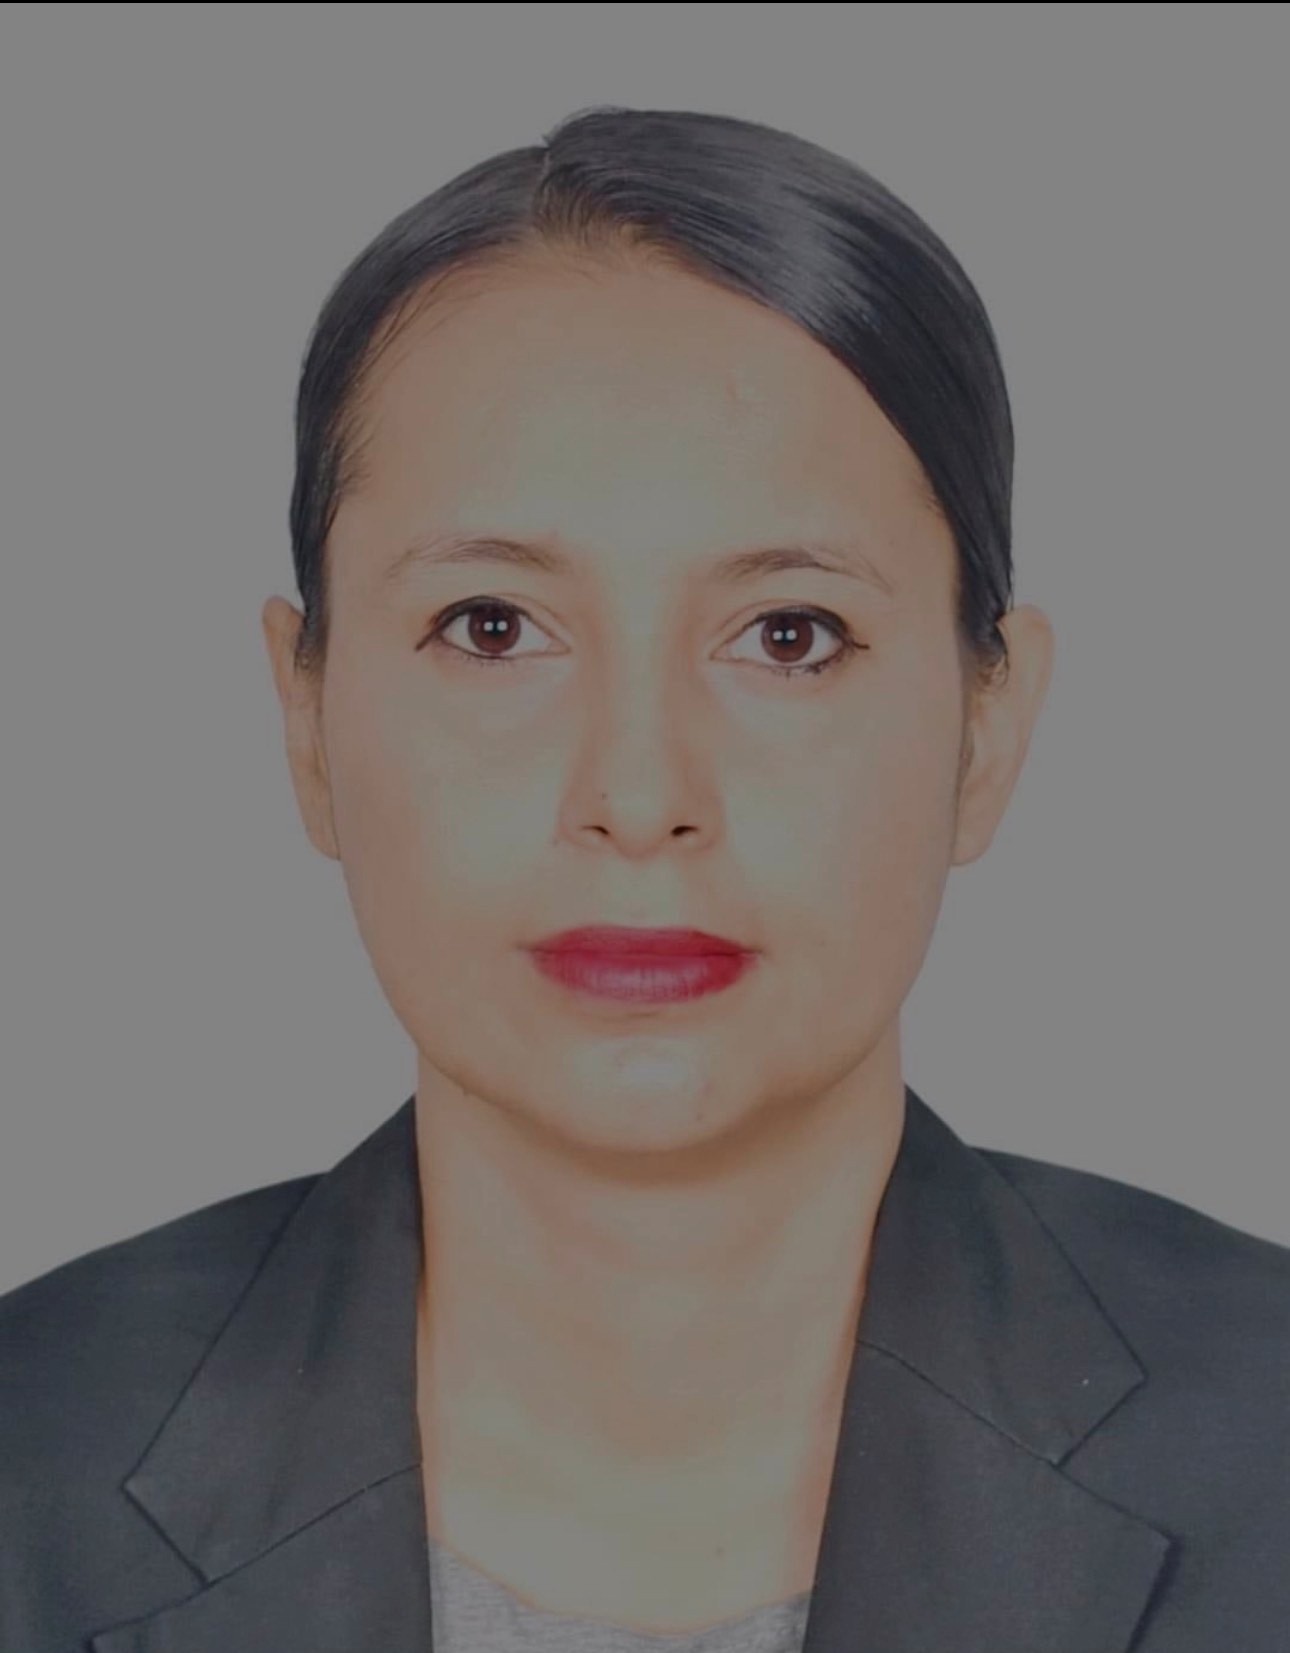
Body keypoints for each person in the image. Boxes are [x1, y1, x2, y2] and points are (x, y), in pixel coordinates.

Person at [1, 104, 1286, 1653]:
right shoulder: (32, 1462)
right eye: (491, 628)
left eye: (789, 635)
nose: (636, 795)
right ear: (306, 717)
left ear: (986, 729)